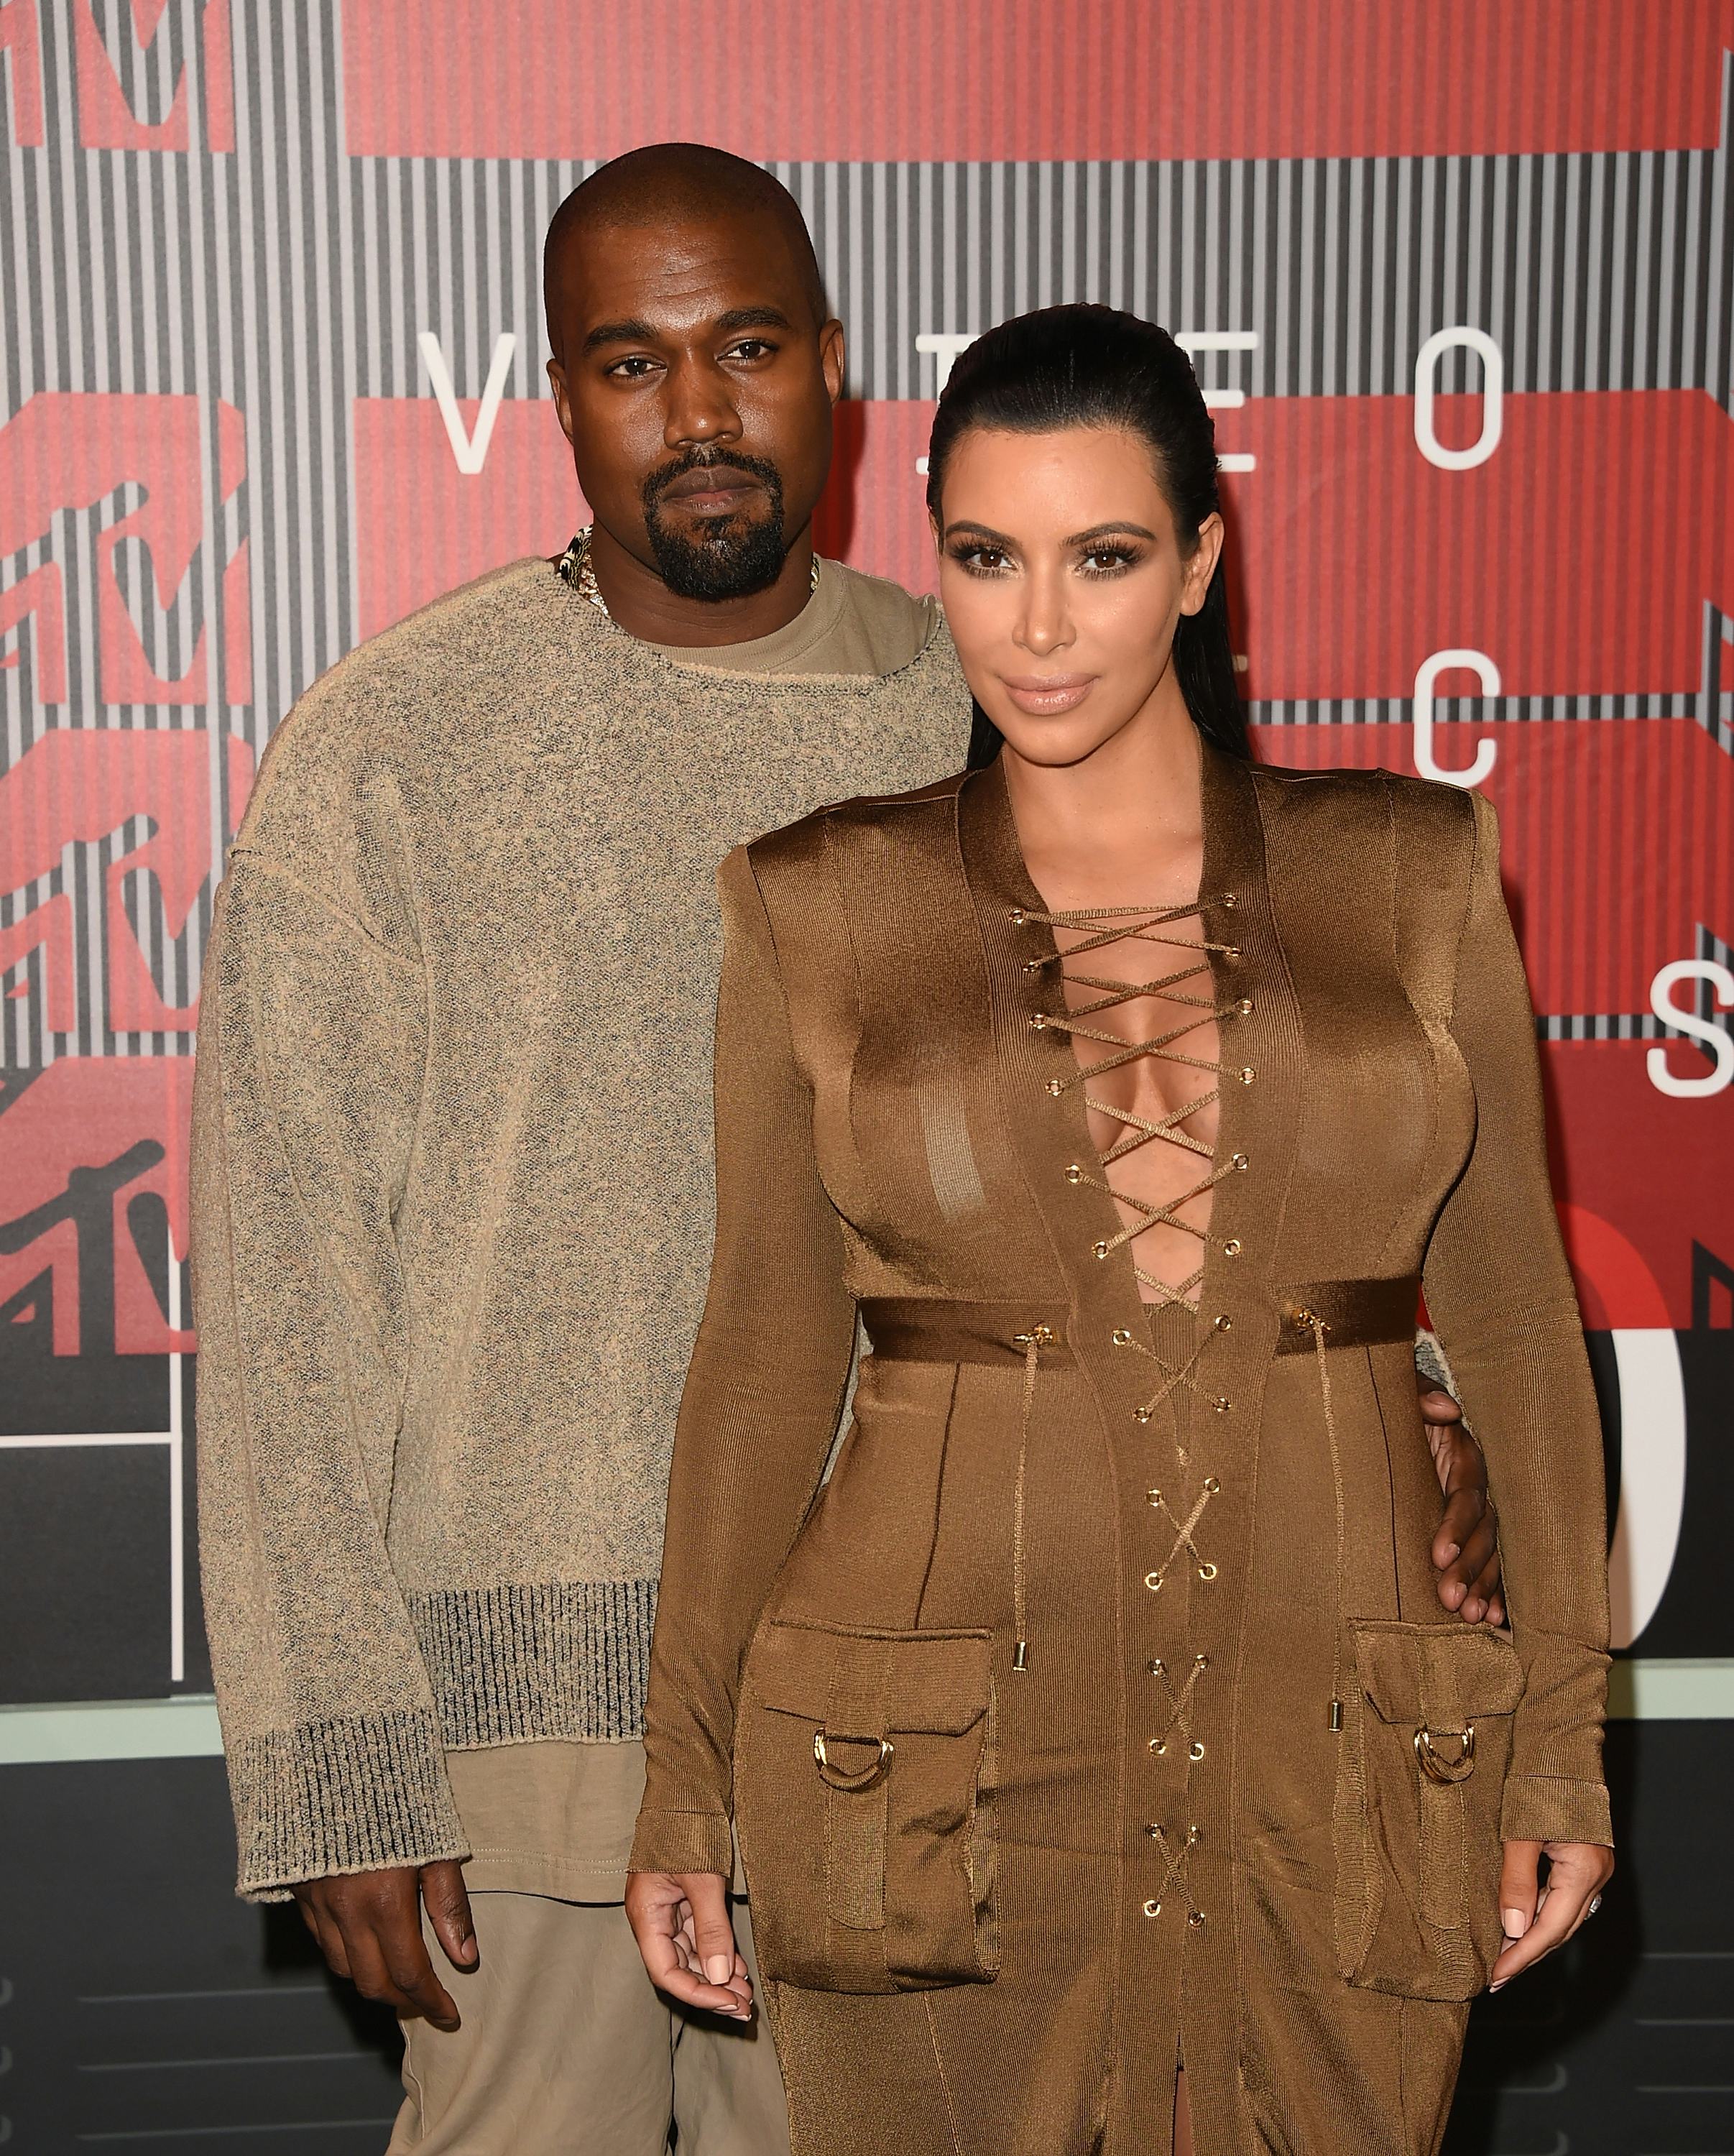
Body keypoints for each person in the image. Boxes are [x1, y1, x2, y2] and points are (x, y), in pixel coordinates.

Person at [189, 139, 1497, 2156]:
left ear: (833, 372)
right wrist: (339, 1763)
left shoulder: (994, 700)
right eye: (630, 364)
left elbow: (1244, 1097)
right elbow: (288, 1290)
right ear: (556, 397)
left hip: (938, 1717)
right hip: (523, 1757)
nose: (698, 415)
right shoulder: (394, 747)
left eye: (746, 349)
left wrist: (1414, 1409)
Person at [624, 305, 1613, 2156]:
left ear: (1199, 564)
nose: (1038, 626)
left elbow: (1515, 1326)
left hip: (1339, 1740)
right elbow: (760, 1354)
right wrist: (680, 1778)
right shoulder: (815, 903)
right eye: (985, 558)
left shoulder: (1413, 873)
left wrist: (1564, 1736)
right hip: (917, 1752)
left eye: (1102, 557)